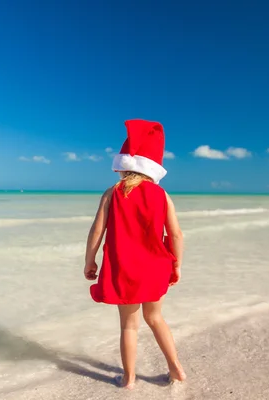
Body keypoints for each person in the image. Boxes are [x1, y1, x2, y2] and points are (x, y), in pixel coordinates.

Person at [83, 119, 187, 389]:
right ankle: (175, 368)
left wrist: (89, 260)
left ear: (123, 166)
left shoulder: (112, 193)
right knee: (155, 318)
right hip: (155, 267)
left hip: (124, 270)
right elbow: (176, 235)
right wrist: (177, 265)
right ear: (152, 169)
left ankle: (128, 379)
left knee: (129, 325)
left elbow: (96, 231)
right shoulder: (162, 195)